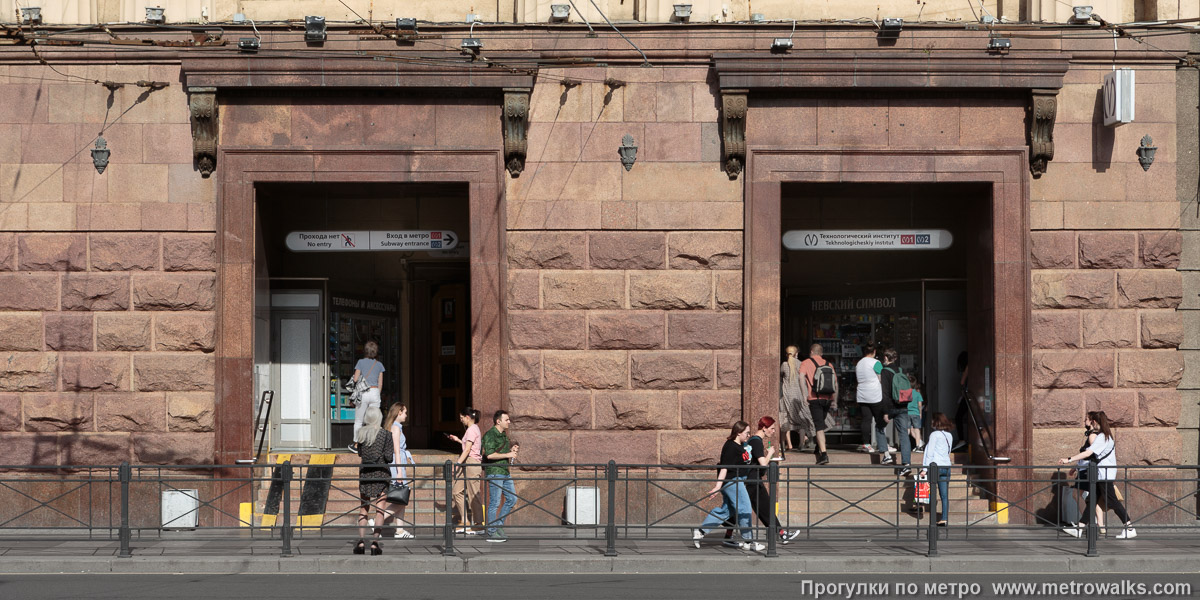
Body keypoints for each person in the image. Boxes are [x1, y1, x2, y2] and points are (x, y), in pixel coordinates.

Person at [1058, 411, 1136, 539]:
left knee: (1113, 502)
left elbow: (1088, 453)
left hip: (1104, 475)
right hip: (1100, 475)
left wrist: (1069, 459)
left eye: (1089, 421)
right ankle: (1080, 528)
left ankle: (1130, 528)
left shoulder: (1102, 437)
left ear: (1094, 422)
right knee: (1092, 502)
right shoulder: (1105, 436)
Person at [692, 421, 761, 552]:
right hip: (733, 481)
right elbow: (724, 467)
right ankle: (749, 541)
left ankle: (700, 532)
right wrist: (718, 487)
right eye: (746, 433)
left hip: (737, 480)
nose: (748, 435)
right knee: (745, 509)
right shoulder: (730, 447)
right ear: (738, 432)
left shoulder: (739, 445)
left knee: (726, 511)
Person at [746, 417, 801, 544]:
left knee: (762, 508)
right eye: (771, 428)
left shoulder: (754, 441)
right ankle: (781, 533)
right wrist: (770, 453)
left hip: (752, 480)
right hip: (753, 481)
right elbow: (763, 463)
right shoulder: (756, 441)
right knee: (761, 507)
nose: (773, 431)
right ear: (764, 428)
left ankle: (781, 533)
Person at [354, 406, 392, 555]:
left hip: (365, 474)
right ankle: (375, 543)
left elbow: (360, 453)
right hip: (381, 474)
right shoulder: (385, 435)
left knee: (364, 507)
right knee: (380, 509)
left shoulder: (361, 434)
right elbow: (389, 457)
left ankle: (361, 542)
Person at [482, 409, 519, 543]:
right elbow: (490, 455)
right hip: (495, 471)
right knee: (495, 502)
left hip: (504, 471)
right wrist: (508, 455)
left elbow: (501, 452)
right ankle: (491, 532)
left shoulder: (503, 435)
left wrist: (511, 450)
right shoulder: (490, 435)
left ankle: (498, 525)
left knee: (512, 499)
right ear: (498, 421)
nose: (509, 422)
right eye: (506, 420)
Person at [798, 343, 838, 465]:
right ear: (821, 353)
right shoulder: (829, 364)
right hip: (827, 399)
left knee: (819, 426)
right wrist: (834, 400)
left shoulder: (805, 363)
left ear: (811, 352)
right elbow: (835, 383)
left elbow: (801, 378)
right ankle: (818, 447)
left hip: (814, 398)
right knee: (820, 422)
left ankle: (824, 455)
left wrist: (804, 395)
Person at [447, 407, 483, 535]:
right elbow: (468, 446)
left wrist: (457, 464)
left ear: (467, 417)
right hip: (467, 462)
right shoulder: (471, 429)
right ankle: (465, 521)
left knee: (474, 493)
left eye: (462, 418)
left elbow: (468, 450)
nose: (461, 420)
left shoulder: (472, 429)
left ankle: (478, 524)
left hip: (471, 462)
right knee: (457, 490)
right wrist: (458, 440)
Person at [855, 343, 891, 461]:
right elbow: (881, 378)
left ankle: (866, 444)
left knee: (866, 419)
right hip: (875, 394)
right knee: (880, 420)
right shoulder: (876, 363)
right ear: (874, 351)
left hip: (861, 394)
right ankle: (883, 445)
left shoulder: (859, 363)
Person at [383, 403, 414, 539]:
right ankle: (378, 518)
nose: (406, 415)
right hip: (397, 465)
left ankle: (400, 530)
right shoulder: (396, 428)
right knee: (401, 498)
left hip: (398, 463)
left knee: (401, 496)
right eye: (405, 412)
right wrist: (399, 471)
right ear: (399, 412)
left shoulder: (395, 427)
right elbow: (396, 450)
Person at [879, 349, 911, 473]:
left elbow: (885, 394)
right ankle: (906, 464)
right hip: (903, 406)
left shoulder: (885, 371)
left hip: (891, 407)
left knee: (879, 426)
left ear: (886, 358)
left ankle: (886, 455)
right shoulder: (900, 370)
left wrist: (886, 412)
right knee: (904, 436)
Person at [779, 345, 816, 455]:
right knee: (802, 420)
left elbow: (780, 378)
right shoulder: (801, 364)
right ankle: (801, 444)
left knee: (784, 420)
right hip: (799, 395)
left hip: (786, 396)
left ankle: (782, 445)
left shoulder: (784, 365)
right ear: (797, 354)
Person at [349, 340, 386, 448]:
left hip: (363, 392)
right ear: (376, 352)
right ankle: (373, 444)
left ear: (365, 351)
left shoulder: (360, 362)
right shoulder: (379, 365)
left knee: (359, 420)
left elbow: (355, 379)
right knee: (374, 420)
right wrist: (376, 394)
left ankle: (356, 444)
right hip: (374, 392)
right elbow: (380, 383)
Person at [921, 412, 954, 527]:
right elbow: (948, 451)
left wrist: (924, 468)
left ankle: (931, 517)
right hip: (946, 466)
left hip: (936, 466)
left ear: (936, 422)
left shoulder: (934, 434)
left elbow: (929, 452)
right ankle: (944, 518)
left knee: (932, 492)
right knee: (944, 495)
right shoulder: (949, 435)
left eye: (932, 421)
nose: (931, 423)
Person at [909, 379, 925, 453]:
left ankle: (904, 445)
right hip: (916, 413)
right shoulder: (917, 394)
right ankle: (918, 445)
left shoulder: (906, 393)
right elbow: (920, 404)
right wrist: (920, 413)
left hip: (907, 413)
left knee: (908, 430)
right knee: (917, 430)